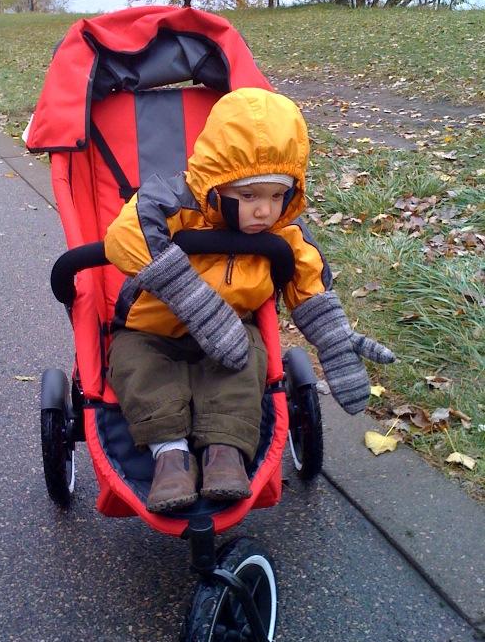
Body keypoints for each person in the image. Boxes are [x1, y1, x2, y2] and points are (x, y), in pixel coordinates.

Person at [103, 88, 394, 513]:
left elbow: (308, 278)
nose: (265, 211)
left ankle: (224, 451)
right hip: (150, 328)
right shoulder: (173, 203)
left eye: (277, 196)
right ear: (217, 186)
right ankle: (169, 454)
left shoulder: (282, 233)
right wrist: (194, 301)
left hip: (233, 332)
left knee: (246, 364)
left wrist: (333, 338)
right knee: (136, 367)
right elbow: (126, 235)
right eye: (250, 196)